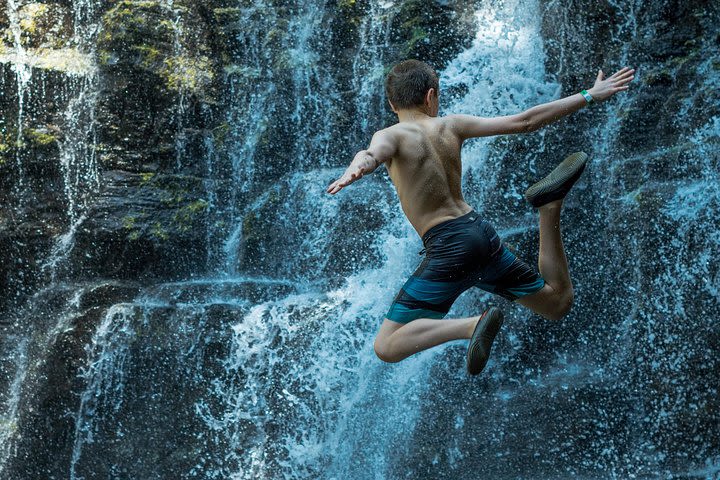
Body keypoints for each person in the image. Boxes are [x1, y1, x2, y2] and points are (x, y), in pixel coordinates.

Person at [326, 59, 635, 375]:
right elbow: (524, 121)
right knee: (556, 303)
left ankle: (471, 326)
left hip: (449, 246)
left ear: (392, 103)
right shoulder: (452, 125)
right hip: (479, 235)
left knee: (387, 345)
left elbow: (372, 153)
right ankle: (549, 206)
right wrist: (589, 95)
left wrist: (358, 167)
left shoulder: (391, 134)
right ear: (432, 96)